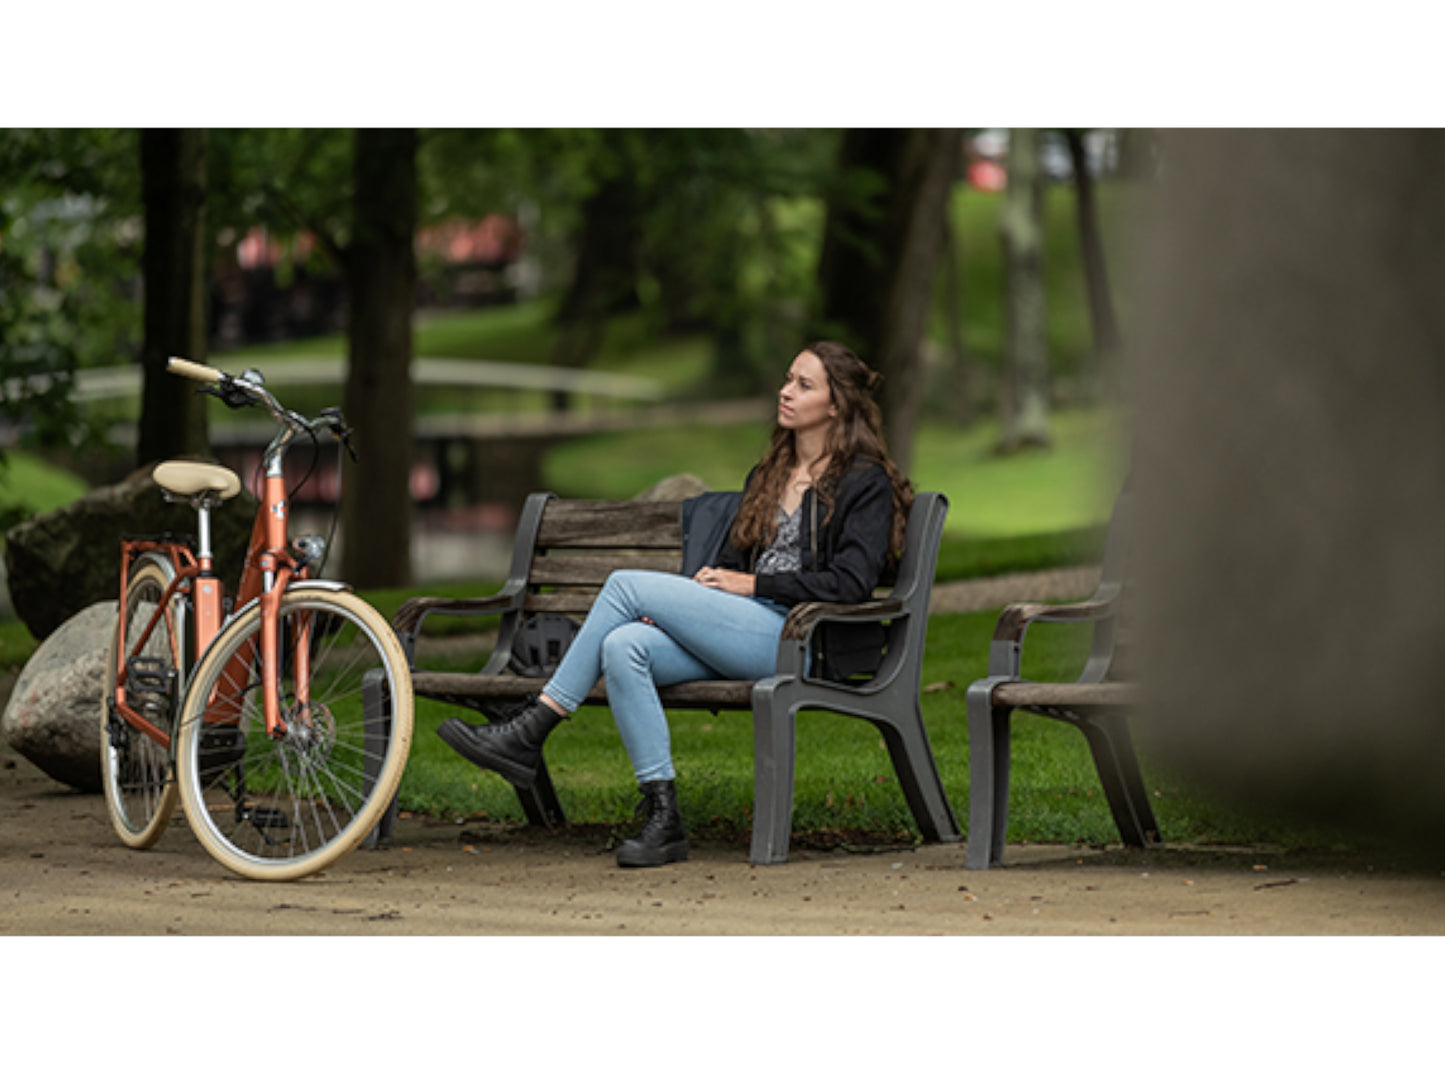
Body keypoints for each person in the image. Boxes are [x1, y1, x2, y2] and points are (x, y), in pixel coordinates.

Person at [437, 341, 914, 867]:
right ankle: (663, 816)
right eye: (786, 379)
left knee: (624, 585)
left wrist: (752, 587)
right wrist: (702, 598)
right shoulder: (769, 474)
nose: (785, 391)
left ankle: (534, 726)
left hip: (804, 640)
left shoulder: (862, 483)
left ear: (836, 404)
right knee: (624, 645)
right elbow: (729, 566)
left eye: (803, 385)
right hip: (742, 632)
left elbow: (849, 583)